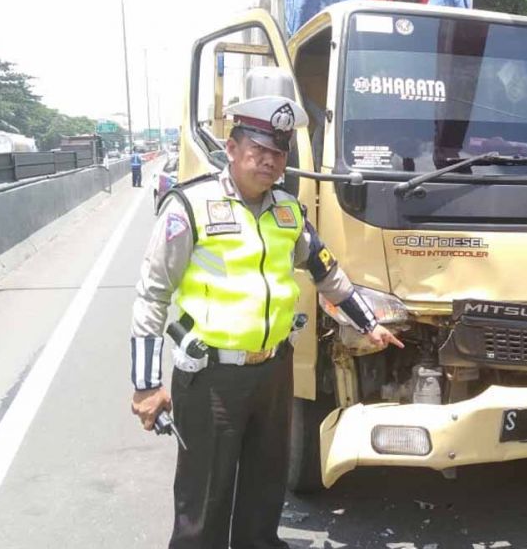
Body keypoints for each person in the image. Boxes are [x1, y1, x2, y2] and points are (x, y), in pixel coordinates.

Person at [129, 95, 403, 549]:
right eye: (258, 151)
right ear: (232, 149)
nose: (269, 162)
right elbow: (152, 292)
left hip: (274, 371)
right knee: (205, 497)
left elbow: (327, 272)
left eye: (278, 154)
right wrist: (144, 384)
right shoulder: (190, 206)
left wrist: (368, 323)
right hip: (212, 378)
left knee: (265, 483)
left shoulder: (288, 212)